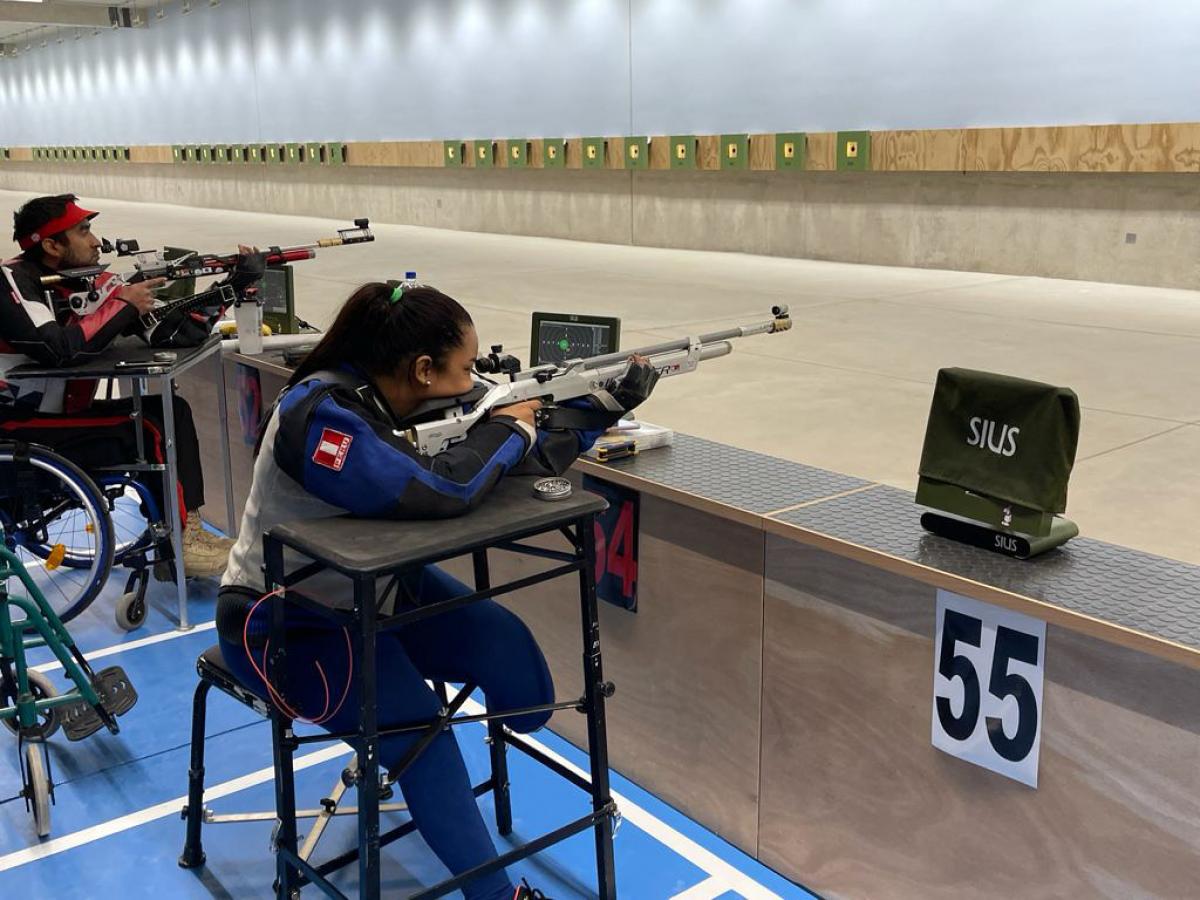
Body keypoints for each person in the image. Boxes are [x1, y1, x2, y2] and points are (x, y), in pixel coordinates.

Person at [216, 282, 657, 900]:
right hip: (285, 624)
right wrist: (505, 428)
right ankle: (499, 894)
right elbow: (443, 489)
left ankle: (484, 766)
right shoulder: (321, 417)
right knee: (422, 736)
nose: (476, 379)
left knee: (507, 653)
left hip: (382, 591)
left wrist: (594, 412)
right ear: (421, 370)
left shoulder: (395, 396)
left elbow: (497, 465)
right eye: (466, 366)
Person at [0, 194, 260, 577]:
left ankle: (181, 537)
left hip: (59, 419)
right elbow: (54, 348)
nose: (96, 241)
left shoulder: (91, 281)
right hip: (15, 423)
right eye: (83, 231)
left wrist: (233, 285)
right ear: (52, 245)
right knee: (152, 429)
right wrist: (122, 306)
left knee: (169, 411)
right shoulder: (11, 281)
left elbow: (174, 333)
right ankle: (181, 547)